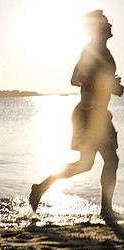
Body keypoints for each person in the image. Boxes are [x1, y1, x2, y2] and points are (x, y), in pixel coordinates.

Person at [29, 10, 124, 220]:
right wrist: (109, 85)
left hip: (94, 114)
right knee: (111, 160)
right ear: (98, 28)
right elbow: (77, 78)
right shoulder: (92, 50)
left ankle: (41, 188)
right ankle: (106, 210)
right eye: (106, 23)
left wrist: (109, 85)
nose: (110, 25)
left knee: (87, 163)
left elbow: (79, 78)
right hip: (90, 115)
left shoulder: (97, 51)